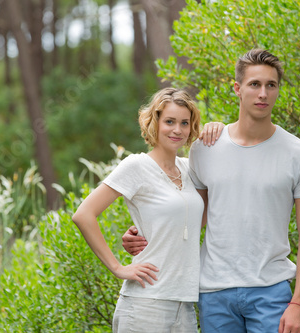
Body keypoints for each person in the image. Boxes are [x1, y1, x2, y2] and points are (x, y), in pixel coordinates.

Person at [122, 49, 300, 333]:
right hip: (214, 293)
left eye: (271, 85)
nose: (263, 93)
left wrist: (299, 304)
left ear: (278, 90)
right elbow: (194, 213)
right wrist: (144, 231)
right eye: (255, 84)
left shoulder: (299, 154)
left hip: (271, 292)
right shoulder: (205, 148)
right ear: (238, 89)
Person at [72, 88, 223, 333]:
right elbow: (83, 215)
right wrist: (118, 268)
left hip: (184, 303)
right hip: (145, 303)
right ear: (155, 123)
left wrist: (217, 128)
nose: (177, 130)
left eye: (185, 123)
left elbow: (196, 220)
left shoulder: (189, 168)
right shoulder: (137, 165)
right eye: (170, 122)